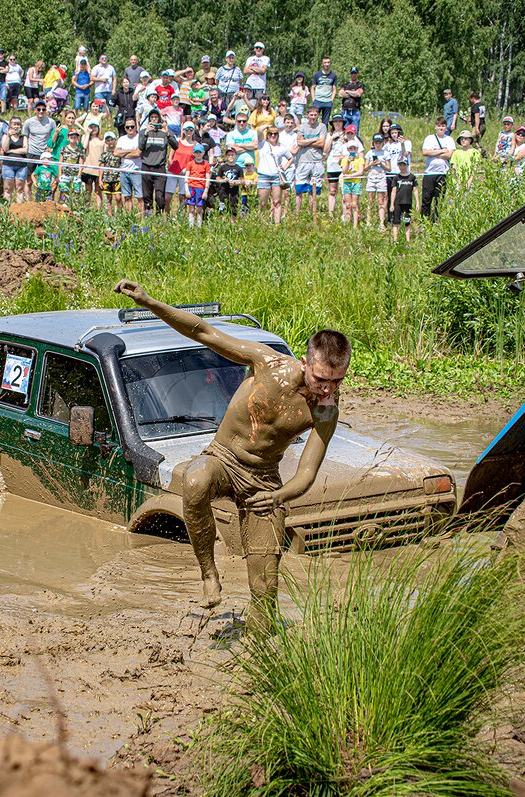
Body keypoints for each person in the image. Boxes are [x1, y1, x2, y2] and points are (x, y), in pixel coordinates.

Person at [113, 280, 349, 633]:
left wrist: (279, 496)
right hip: (223, 458)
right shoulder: (268, 363)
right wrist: (149, 301)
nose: (326, 389)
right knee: (194, 481)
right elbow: (203, 331)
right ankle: (209, 573)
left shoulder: (326, 412)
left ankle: (259, 647)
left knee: (266, 588)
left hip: (264, 479)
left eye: (336, 381)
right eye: (320, 379)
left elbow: (307, 472)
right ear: (305, 362)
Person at [138, 108, 177, 214]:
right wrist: (146, 133)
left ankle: (159, 216)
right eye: (152, 117)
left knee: (160, 196)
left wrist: (167, 133)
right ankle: (148, 216)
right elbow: (140, 147)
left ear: (159, 118)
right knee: (147, 195)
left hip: (160, 167)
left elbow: (175, 146)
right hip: (146, 166)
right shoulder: (143, 132)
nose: (154, 119)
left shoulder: (164, 132)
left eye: (156, 117)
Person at [294, 107, 327, 220]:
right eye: (311, 115)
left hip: (317, 161)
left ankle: (311, 214)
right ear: (307, 115)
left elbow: (322, 143)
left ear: (318, 115)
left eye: (315, 115)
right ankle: (297, 215)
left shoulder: (322, 126)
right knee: (299, 189)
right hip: (303, 161)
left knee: (313, 190)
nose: (313, 117)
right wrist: (314, 140)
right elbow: (299, 142)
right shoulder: (302, 127)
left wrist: (306, 142)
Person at [420, 116, 454, 220]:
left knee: (439, 199)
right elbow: (425, 152)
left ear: (446, 127)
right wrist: (442, 151)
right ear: (435, 127)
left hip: (443, 173)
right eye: (439, 126)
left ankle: (436, 220)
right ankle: (424, 221)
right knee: (427, 198)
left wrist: (433, 153)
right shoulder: (429, 138)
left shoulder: (449, 140)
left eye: (443, 126)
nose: (441, 128)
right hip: (430, 173)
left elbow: (449, 155)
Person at [255, 126, 287, 224]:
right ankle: (262, 223)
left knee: (277, 201)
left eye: (275, 133)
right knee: (263, 202)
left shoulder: (281, 147)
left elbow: (290, 157)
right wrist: (268, 125)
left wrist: (284, 168)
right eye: (270, 133)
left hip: (276, 176)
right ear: (267, 135)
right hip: (264, 176)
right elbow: (259, 130)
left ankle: (277, 224)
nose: (273, 135)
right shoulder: (263, 143)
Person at [115, 117, 143, 212]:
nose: (130, 129)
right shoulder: (122, 139)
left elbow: (138, 153)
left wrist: (124, 153)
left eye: (132, 126)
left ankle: (141, 219)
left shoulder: (140, 138)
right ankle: (129, 217)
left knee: (140, 197)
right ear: (125, 128)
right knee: (127, 197)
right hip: (124, 171)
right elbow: (116, 153)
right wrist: (131, 150)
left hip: (137, 171)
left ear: (136, 127)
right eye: (128, 127)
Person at [389, 157, 418, 242]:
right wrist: (392, 204)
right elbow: (393, 191)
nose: (402, 167)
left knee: (407, 222)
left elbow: (415, 190)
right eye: (400, 165)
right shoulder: (396, 178)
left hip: (408, 202)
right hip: (398, 203)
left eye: (404, 165)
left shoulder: (412, 177)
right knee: (396, 222)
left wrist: (417, 203)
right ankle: (395, 240)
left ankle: (408, 240)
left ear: (407, 165)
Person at [1, 116, 29, 202]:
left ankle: (19, 209)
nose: (16, 126)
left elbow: (25, 150)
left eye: (18, 124)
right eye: (14, 124)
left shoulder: (23, 137)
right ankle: (6, 208)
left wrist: (12, 150)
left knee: (19, 189)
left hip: (21, 166)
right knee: (7, 188)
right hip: (8, 165)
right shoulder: (5, 136)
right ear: (10, 125)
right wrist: (9, 136)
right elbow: (5, 149)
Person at [182, 143, 210, 226]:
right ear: (193, 153)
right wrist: (187, 190)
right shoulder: (190, 164)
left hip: (201, 188)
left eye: (200, 152)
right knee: (191, 209)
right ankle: (191, 226)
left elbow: (207, 178)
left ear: (203, 153)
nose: (198, 154)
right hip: (191, 187)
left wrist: (206, 191)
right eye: (196, 152)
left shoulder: (206, 164)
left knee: (199, 209)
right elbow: (186, 177)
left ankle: (199, 227)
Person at [363, 134, 387, 229]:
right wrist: (371, 164)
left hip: (381, 176)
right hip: (372, 176)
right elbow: (365, 168)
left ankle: (381, 222)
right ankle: (368, 222)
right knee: (370, 200)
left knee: (381, 200)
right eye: (376, 142)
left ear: (382, 143)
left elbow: (389, 168)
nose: (378, 144)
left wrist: (381, 164)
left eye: (380, 142)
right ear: (373, 143)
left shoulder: (385, 153)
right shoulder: (369, 153)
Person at [339, 139, 364, 228]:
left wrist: (351, 176)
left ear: (357, 149)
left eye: (354, 148)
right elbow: (344, 171)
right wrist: (348, 162)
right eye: (351, 148)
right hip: (347, 183)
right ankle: (347, 221)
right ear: (348, 150)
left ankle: (355, 225)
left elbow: (361, 172)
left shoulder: (360, 159)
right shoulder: (344, 160)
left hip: (356, 183)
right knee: (348, 204)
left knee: (355, 203)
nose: (352, 150)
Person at [211, 148, 243, 214]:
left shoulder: (239, 168)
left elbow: (242, 180)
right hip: (223, 191)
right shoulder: (223, 167)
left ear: (236, 155)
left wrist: (235, 183)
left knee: (233, 210)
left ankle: (233, 223)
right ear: (226, 156)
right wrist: (223, 180)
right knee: (222, 209)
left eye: (232, 155)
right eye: (229, 155)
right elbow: (217, 178)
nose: (230, 156)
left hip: (234, 192)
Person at [82, 120, 105, 207]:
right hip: (88, 168)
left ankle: (99, 209)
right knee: (88, 189)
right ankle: (86, 207)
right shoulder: (85, 137)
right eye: (91, 127)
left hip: (98, 169)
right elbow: (84, 146)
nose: (93, 129)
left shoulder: (101, 140)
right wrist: (87, 134)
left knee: (98, 191)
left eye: (95, 127)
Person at [99, 132, 122, 212]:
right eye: (108, 140)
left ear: (115, 140)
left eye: (112, 140)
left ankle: (120, 214)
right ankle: (109, 216)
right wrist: (100, 180)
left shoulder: (119, 152)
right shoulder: (104, 154)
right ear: (105, 142)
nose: (110, 142)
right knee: (108, 198)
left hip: (117, 178)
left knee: (118, 198)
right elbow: (101, 166)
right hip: (107, 178)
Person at [311, 57, 337, 125]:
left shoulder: (333, 75)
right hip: (317, 100)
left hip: (327, 101)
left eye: (328, 62)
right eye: (325, 62)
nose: (327, 64)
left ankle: (323, 135)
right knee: (313, 119)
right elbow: (312, 88)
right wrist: (314, 99)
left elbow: (334, 89)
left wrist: (331, 100)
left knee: (325, 122)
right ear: (322, 64)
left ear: (330, 64)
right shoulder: (317, 74)